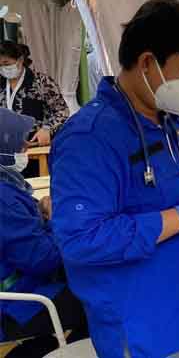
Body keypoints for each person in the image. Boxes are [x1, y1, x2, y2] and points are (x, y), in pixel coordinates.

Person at [50, 0, 179, 358]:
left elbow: (153, 193)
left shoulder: (168, 122)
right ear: (146, 63)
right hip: (140, 329)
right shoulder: (91, 138)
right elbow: (82, 239)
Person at [0, 108, 88, 358]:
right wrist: (55, 220)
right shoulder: (4, 198)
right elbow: (43, 260)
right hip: (17, 304)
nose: (24, 152)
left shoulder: (7, 193)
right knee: (103, 297)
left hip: (17, 293)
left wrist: (37, 212)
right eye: (19, 147)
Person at [0, 41, 68, 177]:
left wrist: (47, 128)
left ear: (20, 60)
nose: (2, 68)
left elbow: (62, 110)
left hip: (37, 149)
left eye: (6, 64)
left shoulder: (41, 82)